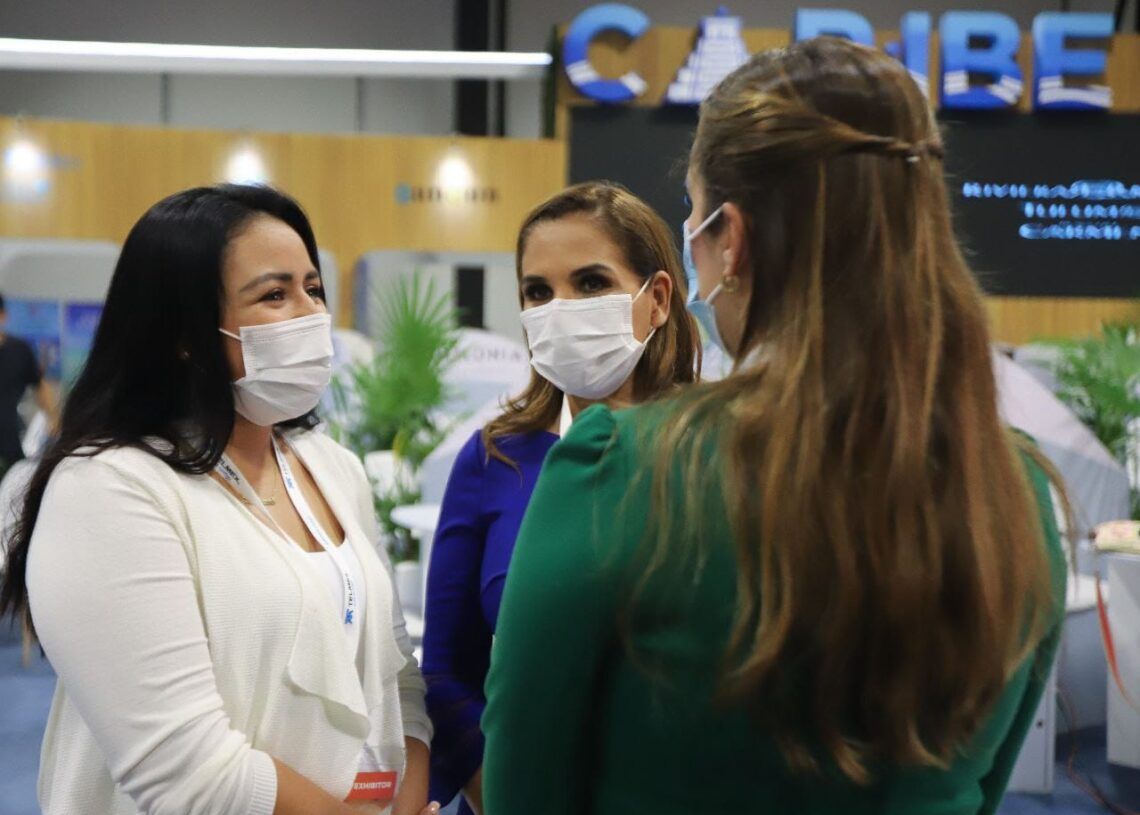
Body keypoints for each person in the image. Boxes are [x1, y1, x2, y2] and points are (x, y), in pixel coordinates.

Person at [482, 38, 1068, 815]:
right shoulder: (1017, 490)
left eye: (692, 211)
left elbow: (524, 787)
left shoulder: (618, 468)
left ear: (731, 237)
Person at [0, 184, 439, 815]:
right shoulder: (109, 489)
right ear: (184, 332)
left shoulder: (331, 468)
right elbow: (184, 769)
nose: (311, 314)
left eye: (313, 288)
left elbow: (396, 676)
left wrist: (407, 797)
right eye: (274, 295)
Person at [422, 181, 701, 815]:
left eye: (591, 283)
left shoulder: (713, 455)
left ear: (657, 299)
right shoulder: (495, 459)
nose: (560, 309)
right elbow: (444, 671)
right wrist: (504, 796)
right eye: (538, 292)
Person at [0, 293, 57, 476]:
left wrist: (53, 420)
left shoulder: (19, 350)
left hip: (10, 443)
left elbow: (40, 385)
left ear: (3, 315)